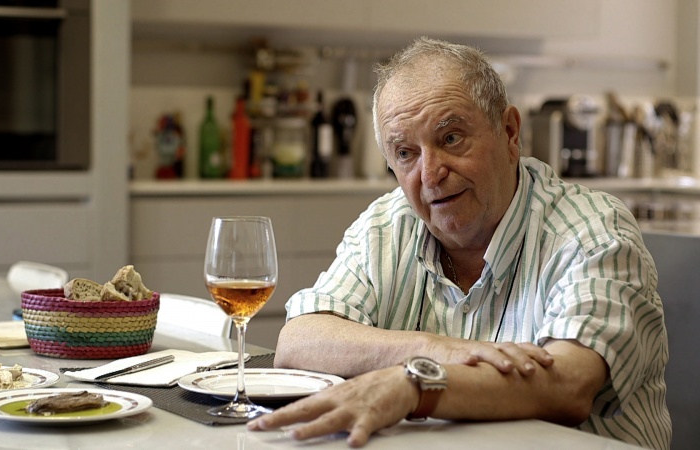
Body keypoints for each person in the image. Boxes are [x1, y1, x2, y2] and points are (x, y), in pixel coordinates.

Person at [247, 37, 670, 450]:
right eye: (406, 153)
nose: (431, 174)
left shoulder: (592, 230)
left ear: (509, 132)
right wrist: (431, 351)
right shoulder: (387, 224)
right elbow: (298, 342)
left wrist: (416, 385)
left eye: (451, 138)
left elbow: (569, 384)